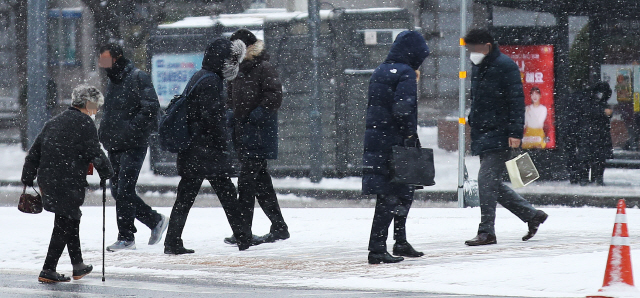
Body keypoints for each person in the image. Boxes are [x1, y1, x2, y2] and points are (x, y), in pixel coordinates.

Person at [164, 38, 255, 254]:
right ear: (223, 60)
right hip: (207, 152)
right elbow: (212, 120)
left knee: (185, 199)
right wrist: (224, 144)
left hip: (194, 152)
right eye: (232, 60)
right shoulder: (211, 81)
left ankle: (172, 241)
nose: (234, 64)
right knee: (227, 196)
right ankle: (244, 239)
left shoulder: (201, 76)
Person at [463, 29, 548, 246]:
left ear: (487, 45)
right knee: (490, 183)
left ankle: (486, 231)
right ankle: (531, 215)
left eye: (473, 48)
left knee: (485, 180)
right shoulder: (478, 67)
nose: (471, 52)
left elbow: (516, 102)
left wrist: (514, 132)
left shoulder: (505, 66)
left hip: (500, 132)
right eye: (468, 48)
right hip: (483, 132)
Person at [21, 85, 113, 283]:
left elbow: (35, 151)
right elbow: (94, 151)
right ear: (88, 104)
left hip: (50, 178)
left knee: (70, 218)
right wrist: (107, 171)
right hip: (68, 179)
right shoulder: (85, 123)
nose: (96, 111)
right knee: (65, 222)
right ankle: (48, 269)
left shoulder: (54, 122)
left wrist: (28, 176)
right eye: (95, 106)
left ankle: (78, 265)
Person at [362, 30, 429, 264]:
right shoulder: (407, 73)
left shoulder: (380, 70)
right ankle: (377, 249)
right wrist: (410, 133)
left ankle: (399, 241)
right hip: (396, 141)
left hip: (378, 139)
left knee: (402, 191)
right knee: (391, 196)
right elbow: (403, 109)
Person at [97, 43, 168, 252]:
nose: (104, 64)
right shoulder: (112, 80)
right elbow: (110, 111)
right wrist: (105, 132)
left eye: (107, 59)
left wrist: (129, 129)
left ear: (117, 57)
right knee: (117, 191)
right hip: (115, 143)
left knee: (124, 189)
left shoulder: (138, 77)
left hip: (133, 143)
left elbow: (150, 107)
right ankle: (155, 220)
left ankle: (126, 237)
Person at [225, 29, 289, 246]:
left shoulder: (263, 67)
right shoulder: (235, 69)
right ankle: (279, 227)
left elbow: (274, 95)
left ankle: (243, 232)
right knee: (261, 184)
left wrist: (253, 117)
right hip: (243, 134)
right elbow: (229, 99)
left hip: (258, 135)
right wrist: (232, 116)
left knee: (246, 183)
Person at [575, 82, 614, 186]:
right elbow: (588, 111)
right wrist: (603, 112)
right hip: (590, 133)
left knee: (599, 157)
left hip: (598, 133)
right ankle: (586, 177)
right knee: (587, 157)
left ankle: (596, 177)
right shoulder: (588, 101)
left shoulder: (599, 101)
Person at [18, 79, 58, 151]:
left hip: (36, 111)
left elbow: (21, 99)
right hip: (44, 111)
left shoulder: (29, 83)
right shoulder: (49, 84)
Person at [614, 74, 637, 150]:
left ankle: (632, 145)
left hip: (629, 114)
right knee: (632, 131)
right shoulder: (629, 89)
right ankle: (633, 145)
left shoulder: (625, 89)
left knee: (632, 131)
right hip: (631, 114)